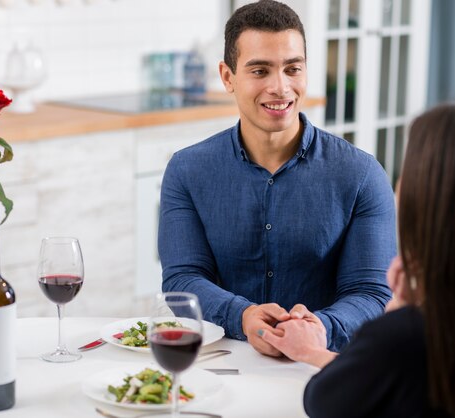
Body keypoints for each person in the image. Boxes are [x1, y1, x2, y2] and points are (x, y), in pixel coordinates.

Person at [260, 99, 455, 417]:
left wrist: (397, 309)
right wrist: (315, 351)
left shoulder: (406, 336)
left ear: (425, 201)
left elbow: (322, 400)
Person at [157, 0, 396, 356]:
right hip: (222, 360)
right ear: (227, 77)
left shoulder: (362, 175)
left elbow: (371, 292)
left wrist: (318, 329)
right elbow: (183, 279)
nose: (281, 87)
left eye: (292, 69)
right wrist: (243, 316)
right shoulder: (187, 170)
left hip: (321, 366)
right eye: (259, 71)